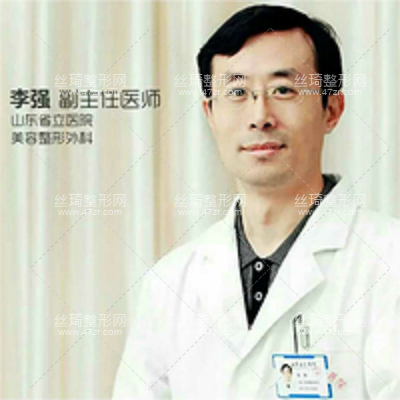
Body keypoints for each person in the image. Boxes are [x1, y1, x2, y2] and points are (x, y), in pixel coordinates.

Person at [113, 4, 399, 399]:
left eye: (283, 90)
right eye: (237, 93)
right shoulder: (170, 284)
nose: (260, 116)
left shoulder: (388, 263)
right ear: (210, 114)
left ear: (332, 109)